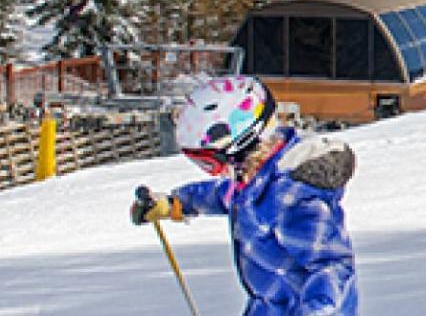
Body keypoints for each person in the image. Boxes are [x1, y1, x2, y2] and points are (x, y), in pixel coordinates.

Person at [130, 77, 359, 315]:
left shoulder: (294, 199)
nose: (214, 172)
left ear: (240, 146)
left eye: (208, 163)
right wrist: (177, 203)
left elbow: (332, 267)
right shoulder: (255, 180)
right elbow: (224, 195)